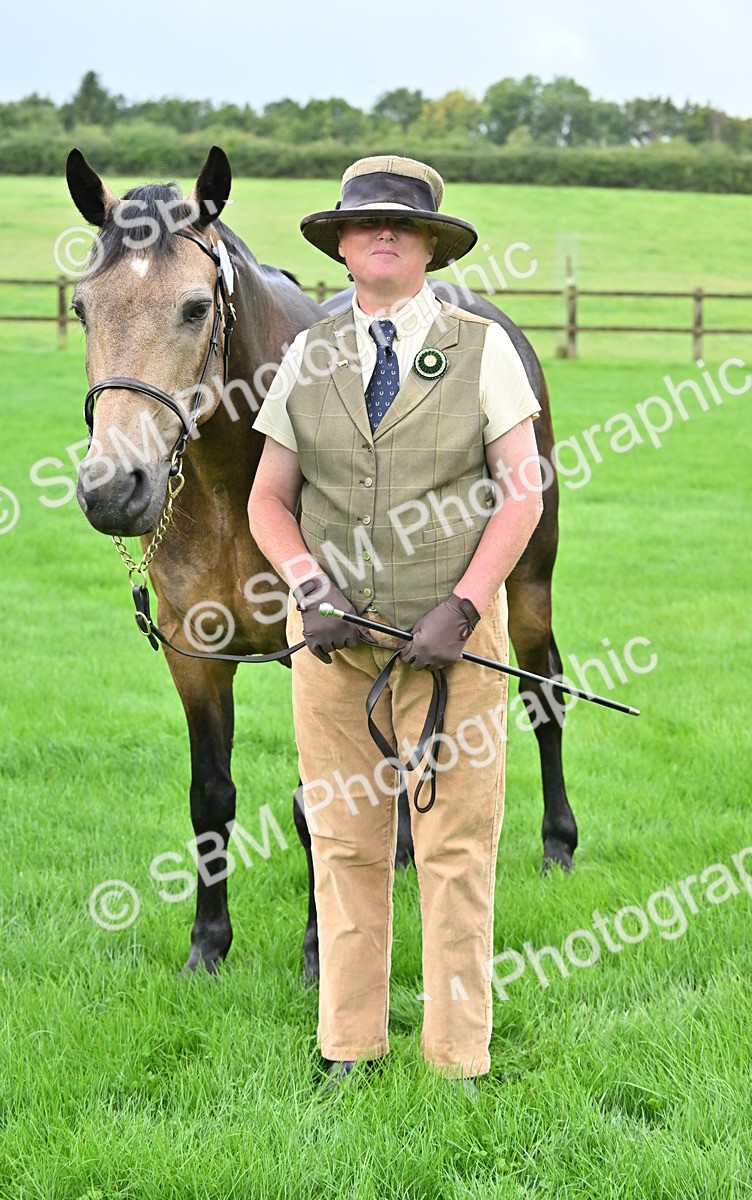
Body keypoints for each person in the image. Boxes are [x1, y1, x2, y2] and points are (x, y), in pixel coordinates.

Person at [247, 155, 543, 1089]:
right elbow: (268, 501)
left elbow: (522, 492)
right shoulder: (308, 354)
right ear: (339, 244)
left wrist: (465, 605)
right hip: (332, 652)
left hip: (455, 651)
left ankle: (459, 1058)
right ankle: (348, 1048)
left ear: (428, 248)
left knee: (457, 847)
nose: (384, 235)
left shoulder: (479, 347)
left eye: (404, 226)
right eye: (366, 223)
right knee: (344, 846)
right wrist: (308, 587)